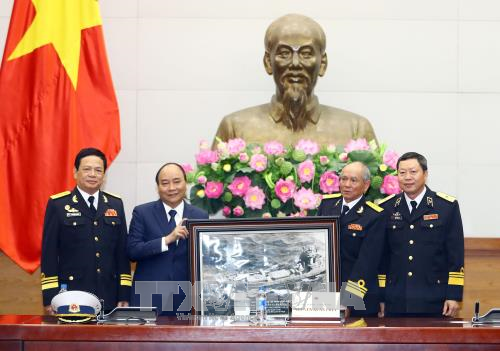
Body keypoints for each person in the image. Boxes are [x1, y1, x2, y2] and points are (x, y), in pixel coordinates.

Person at [212, 14, 377, 147]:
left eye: (306, 53)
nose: (296, 64)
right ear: (268, 62)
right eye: (284, 53)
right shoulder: (234, 128)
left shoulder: (356, 130)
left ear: (322, 64)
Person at [40, 148, 131, 313]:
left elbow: (121, 253)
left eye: (98, 170)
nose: (92, 174)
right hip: (71, 295)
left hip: (109, 294)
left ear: (104, 175)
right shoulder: (58, 204)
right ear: (75, 172)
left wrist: (124, 293)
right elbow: (49, 254)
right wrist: (50, 296)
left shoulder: (115, 204)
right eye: (87, 169)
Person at [379, 152, 464, 317]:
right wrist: (380, 297)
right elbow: (382, 258)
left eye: (413, 171)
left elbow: (455, 255)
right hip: (395, 298)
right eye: (402, 173)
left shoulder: (446, 207)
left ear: (425, 174)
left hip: (434, 297)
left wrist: (453, 295)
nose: (407, 177)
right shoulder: (386, 208)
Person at [127, 163, 209, 315]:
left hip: (187, 297)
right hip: (149, 295)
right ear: (158, 187)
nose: (171, 188)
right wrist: (166, 239)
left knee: (188, 339)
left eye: (177, 181)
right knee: (146, 339)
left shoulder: (200, 215)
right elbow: (132, 251)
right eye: (165, 183)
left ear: (185, 183)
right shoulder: (142, 213)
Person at [317, 162, 386, 317]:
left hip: (358, 296)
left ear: (366, 185)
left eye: (353, 180)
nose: (346, 184)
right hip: (326, 294)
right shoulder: (327, 205)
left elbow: (367, 262)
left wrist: (349, 299)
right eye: (343, 179)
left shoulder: (374, 215)